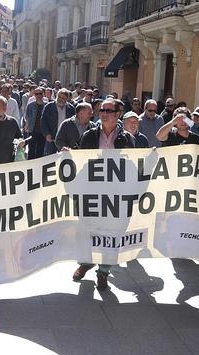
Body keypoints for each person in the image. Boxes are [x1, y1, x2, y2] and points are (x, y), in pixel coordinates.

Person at [72, 98, 136, 290]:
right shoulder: (90, 135)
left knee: (112, 233)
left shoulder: (127, 139)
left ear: (117, 115)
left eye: (109, 110)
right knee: (87, 229)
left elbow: (132, 166)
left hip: (116, 196)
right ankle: (85, 263)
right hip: (92, 193)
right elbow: (82, 162)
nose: (104, 113)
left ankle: (103, 272)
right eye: (101, 110)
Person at [41, 88, 75, 155]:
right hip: (52, 137)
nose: (60, 99)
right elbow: (43, 121)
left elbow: (73, 123)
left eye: (63, 98)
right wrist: (47, 134)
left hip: (65, 139)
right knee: (50, 159)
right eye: (59, 97)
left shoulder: (71, 109)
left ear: (67, 99)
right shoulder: (49, 106)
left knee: (64, 158)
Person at [24, 87, 47, 159]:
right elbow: (27, 116)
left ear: (43, 94)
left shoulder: (47, 105)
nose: (38, 95)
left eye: (40, 93)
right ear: (34, 95)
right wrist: (26, 126)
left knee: (40, 150)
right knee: (31, 150)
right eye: (36, 94)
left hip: (43, 131)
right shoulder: (30, 105)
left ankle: (38, 167)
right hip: (32, 130)